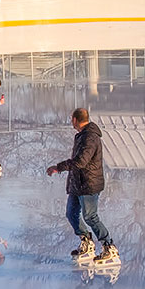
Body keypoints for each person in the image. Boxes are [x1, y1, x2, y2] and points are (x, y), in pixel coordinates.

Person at [46, 108, 120, 266]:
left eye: (71, 119)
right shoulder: (82, 135)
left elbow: (81, 161)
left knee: (90, 216)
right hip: (78, 183)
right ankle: (87, 242)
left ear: (74, 119)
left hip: (89, 183)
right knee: (71, 214)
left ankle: (109, 247)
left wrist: (58, 167)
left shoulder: (90, 137)